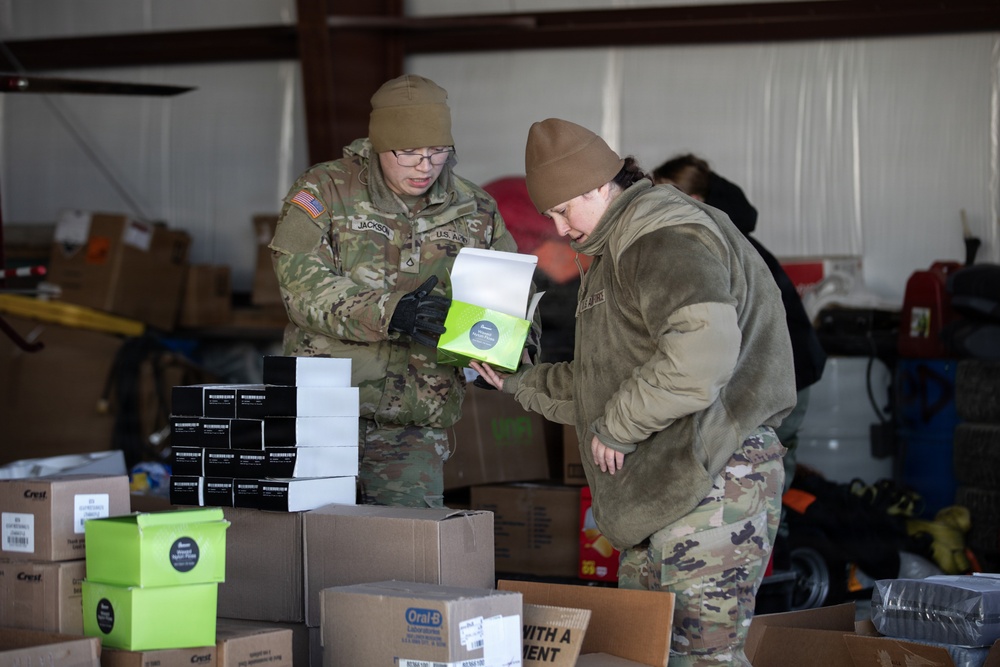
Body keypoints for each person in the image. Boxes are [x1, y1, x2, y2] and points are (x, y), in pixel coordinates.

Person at [471, 118, 796, 666]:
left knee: (701, 659)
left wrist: (619, 426)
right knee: (645, 655)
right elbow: (603, 381)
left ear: (599, 186)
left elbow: (701, 356)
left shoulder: (664, 236)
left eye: (561, 210)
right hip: (659, 489)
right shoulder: (615, 248)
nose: (558, 227)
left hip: (712, 481)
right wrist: (521, 381)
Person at [269, 74, 536, 509]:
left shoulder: (477, 208)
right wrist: (389, 312)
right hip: (325, 411)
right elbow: (299, 284)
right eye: (408, 153)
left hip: (416, 420)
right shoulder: (324, 191)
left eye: (437, 153)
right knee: (311, 539)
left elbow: (515, 294)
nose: (424, 167)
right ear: (379, 145)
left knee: (405, 556)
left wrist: (510, 352)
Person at [651, 154, 827, 498]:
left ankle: (774, 546)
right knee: (767, 475)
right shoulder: (723, 236)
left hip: (785, 374)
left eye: (663, 197)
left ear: (695, 201)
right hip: (784, 369)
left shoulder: (720, 245)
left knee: (762, 478)